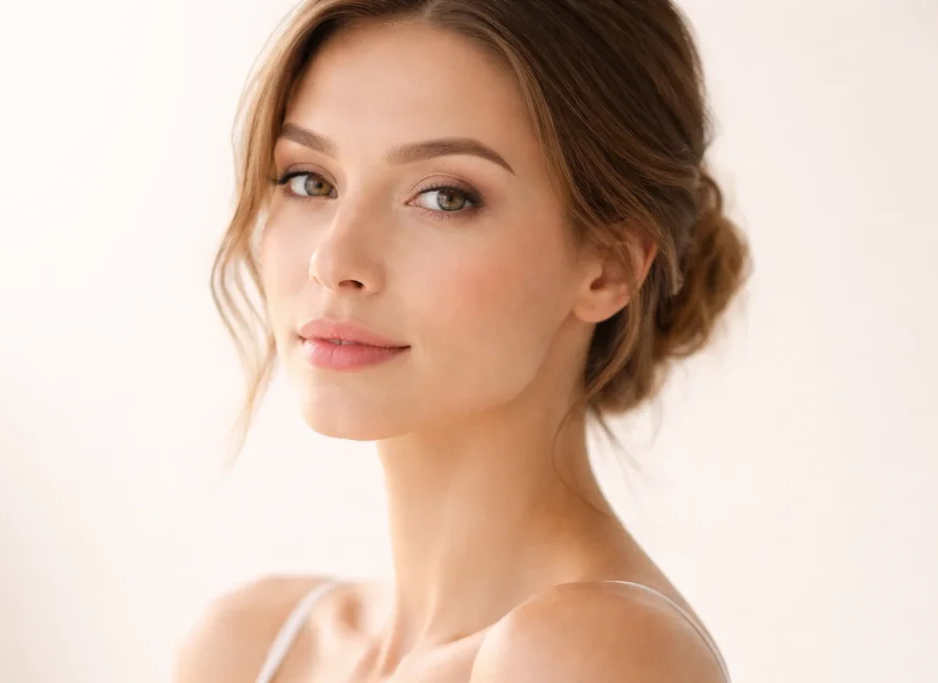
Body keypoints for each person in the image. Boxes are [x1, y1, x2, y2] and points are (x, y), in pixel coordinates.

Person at [176, 0, 749, 680]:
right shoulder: (254, 645)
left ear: (610, 265)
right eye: (311, 181)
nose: (334, 260)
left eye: (444, 196)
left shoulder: (591, 653)